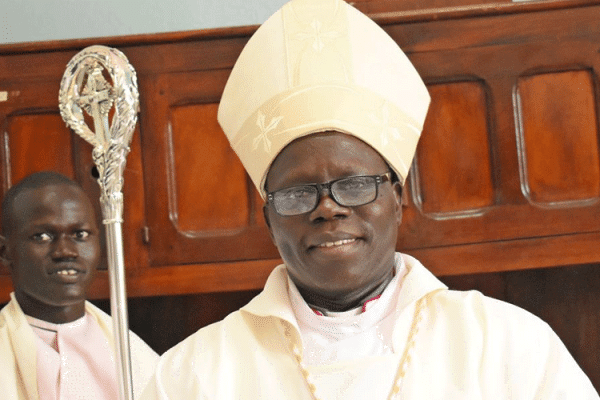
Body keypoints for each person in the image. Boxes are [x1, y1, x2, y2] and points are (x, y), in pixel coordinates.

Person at [141, 0, 600, 398]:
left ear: (397, 198)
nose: (329, 208)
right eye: (299, 193)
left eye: (356, 185)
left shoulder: (503, 342)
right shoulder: (194, 374)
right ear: (269, 218)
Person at [0, 171, 158, 399]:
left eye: (80, 234)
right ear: (5, 252)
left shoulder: (136, 355)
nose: (65, 251)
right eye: (42, 236)